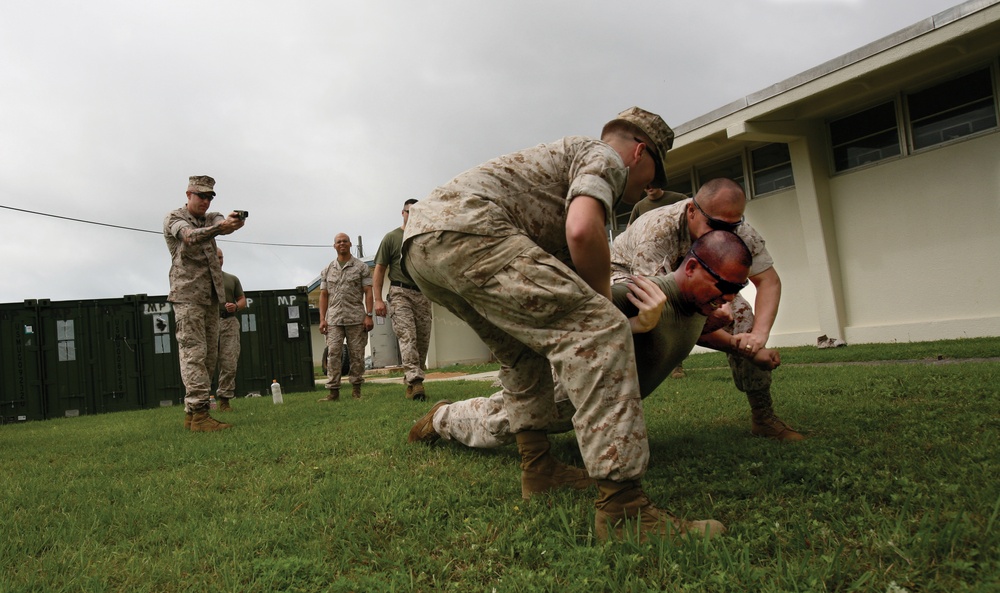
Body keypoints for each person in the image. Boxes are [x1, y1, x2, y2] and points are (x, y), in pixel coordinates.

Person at [401, 106, 722, 542]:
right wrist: (607, 311)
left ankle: (539, 469)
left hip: (423, 248)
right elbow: (582, 230)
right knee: (601, 328)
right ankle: (624, 511)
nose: (650, 184)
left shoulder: (557, 180)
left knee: (521, 351)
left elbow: (563, 264)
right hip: (469, 231)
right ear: (639, 151)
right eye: (652, 170)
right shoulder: (605, 157)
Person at [408, 231, 775, 489]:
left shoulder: (697, 306)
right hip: (563, 387)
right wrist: (634, 325)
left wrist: (744, 346)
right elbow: (564, 327)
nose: (728, 297)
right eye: (723, 286)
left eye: (737, 289)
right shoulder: (638, 292)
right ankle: (441, 418)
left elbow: (689, 334)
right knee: (499, 423)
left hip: (588, 403)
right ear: (692, 268)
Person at [610, 177, 803, 441]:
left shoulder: (737, 231)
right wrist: (733, 342)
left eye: (731, 226)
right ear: (691, 210)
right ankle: (612, 423)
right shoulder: (657, 231)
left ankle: (763, 416)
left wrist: (756, 340)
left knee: (742, 313)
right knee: (648, 326)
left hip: (693, 283)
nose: (721, 233)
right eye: (714, 224)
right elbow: (664, 313)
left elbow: (769, 281)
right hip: (630, 281)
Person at [163, 175, 245, 432]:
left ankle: (193, 414)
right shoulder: (174, 218)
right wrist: (219, 229)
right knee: (193, 354)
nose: (205, 201)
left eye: (209, 196)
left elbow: (221, 221)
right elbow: (189, 237)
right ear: (188, 194)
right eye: (201, 195)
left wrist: (231, 223)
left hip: (211, 299)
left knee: (209, 357)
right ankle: (200, 414)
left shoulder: (211, 218)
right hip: (187, 297)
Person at [625, 187, 690, 378]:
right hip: (652, 264)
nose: (649, 185)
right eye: (646, 184)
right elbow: (631, 231)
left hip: (677, 263)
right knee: (660, 311)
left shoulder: (678, 198)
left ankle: (677, 361)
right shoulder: (639, 206)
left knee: (677, 309)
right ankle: (672, 364)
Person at [372, 199, 433, 401]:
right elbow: (379, 269)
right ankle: (416, 382)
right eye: (409, 211)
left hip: (423, 294)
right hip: (400, 293)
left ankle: (411, 382)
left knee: (422, 342)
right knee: (408, 336)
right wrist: (378, 300)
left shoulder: (425, 238)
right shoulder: (391, 238)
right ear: (402, 212)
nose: (412, 215)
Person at [317, 233, 374, 401]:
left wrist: (369, 315)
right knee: (333, 353)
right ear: (334, 246)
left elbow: (368, 291)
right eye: (338, 242)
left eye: (345, 241)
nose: (342, 244)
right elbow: (323, 295)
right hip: (334, 319)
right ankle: (333, 392)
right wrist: (322, 319)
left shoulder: (361, 267)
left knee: (357, 354)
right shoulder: (327, 269)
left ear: (350, 244)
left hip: (356, 318)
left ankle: (356, 391)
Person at [214, 248, 246, 411]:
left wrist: (235, 306)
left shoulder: (232, 279)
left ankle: (225, 400)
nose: (219, 260)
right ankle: (201, 402)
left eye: (221, 257)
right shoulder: (201, 279)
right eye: (216, 257)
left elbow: (242, 300)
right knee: (204, 362)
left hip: (229, 323)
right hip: (209, 323)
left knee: (229, 362)